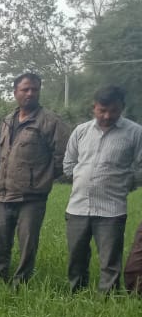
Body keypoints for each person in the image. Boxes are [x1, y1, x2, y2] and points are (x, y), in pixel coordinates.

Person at [0, 72, 70, 285]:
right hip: (3, 194)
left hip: (32, 197)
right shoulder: (7, 120)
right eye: (25, 89)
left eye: (34, 89)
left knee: (27, 243)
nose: (30, 93)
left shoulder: (51, 121)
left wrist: (42, 177)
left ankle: (21, 283)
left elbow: (63, 156)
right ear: (15, 92)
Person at [63, 85, 142, 293]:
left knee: (110, 261)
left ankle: (108, 298)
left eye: (113, 111)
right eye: (102, 110)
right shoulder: (81, 131)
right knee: (76, 257)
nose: (107, 116)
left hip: (112, 209)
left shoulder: (135, 132)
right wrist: (82, 177)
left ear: (122, 108)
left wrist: (127, 182)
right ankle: (76, 293)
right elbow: (68, 163)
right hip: (77, 207)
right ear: (94, 107)